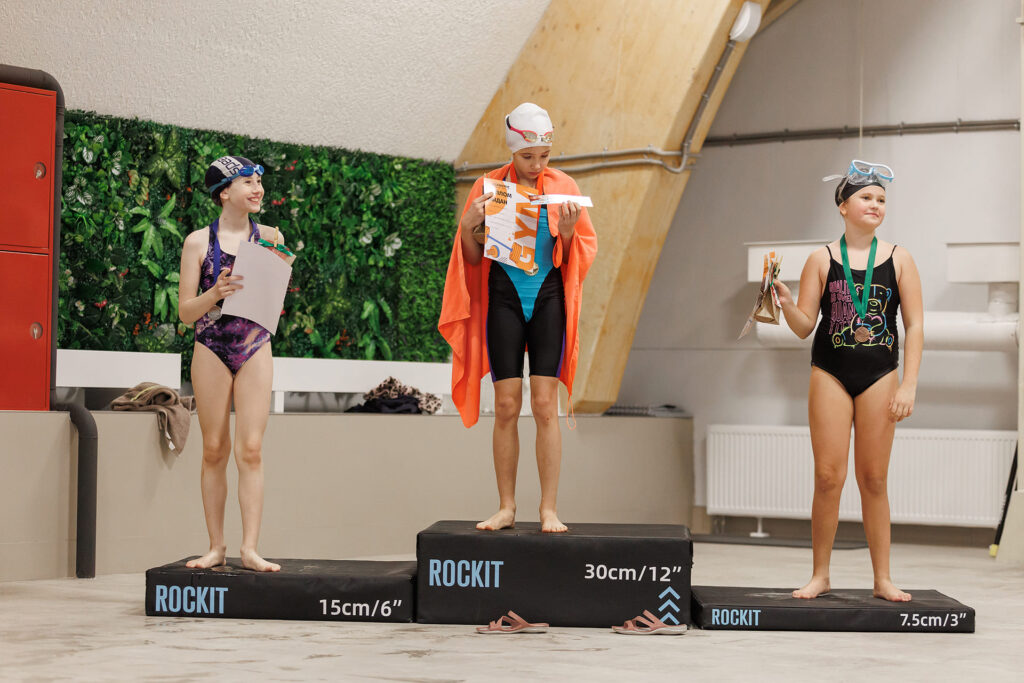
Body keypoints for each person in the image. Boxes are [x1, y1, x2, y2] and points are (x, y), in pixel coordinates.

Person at [439, 103, 598, 533]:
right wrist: (468, 225)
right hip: (504, 300)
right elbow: (472, 260)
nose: (536, 165)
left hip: (547, 299)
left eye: (544, 156)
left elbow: (578, 260)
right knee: (506, 405)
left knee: (545, 405)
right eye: (528, 156)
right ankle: (506, 506)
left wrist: (568, 234)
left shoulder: (564, 187)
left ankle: (548, 509)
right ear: (512, 151)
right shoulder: (488, 187)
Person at [774, 160, 922, 601]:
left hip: (881, 374)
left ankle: (882, 579)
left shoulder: (899, 259)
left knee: (874, 478)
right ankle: (820, 574)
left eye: (881, 199)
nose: (875, 205)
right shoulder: (821, 259)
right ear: (842, 206)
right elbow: (804, 327)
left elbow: (914, 325)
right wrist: (786, 303)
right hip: (830, 373)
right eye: (866, 197)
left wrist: (909, 384)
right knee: (827, 477)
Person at [176, 155, 282, 572]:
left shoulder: (270, 237)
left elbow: (273, 300)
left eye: (258, 182)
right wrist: (215, 293)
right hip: (211, 346)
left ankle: (250, 549)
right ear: (224, 193)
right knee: (214, 449)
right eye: (248, 182)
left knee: (251, 450)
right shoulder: (198, 242)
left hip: (254, 344)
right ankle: (216, 547)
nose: (258, 189)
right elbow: (186, 312)